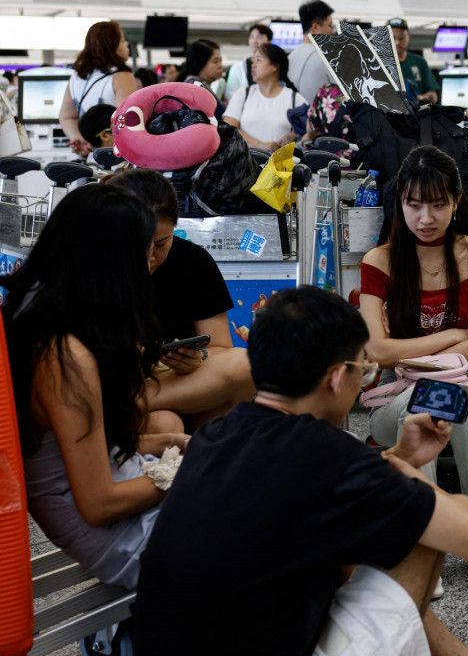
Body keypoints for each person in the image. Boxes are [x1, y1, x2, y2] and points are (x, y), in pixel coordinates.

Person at [133, 287, 468, 656]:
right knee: (417, 530)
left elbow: (307, 489)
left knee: (379, 520)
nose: (364, 381)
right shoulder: (329, 452)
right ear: (338, 377)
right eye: (365, 370)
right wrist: (409, 472)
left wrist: (396, 458)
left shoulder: (215, 435)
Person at [0, 185, 189, 589]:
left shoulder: (39, 313)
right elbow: (99, 503)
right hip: (132, 543)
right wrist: (184, 471)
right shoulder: (65, 356)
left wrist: (172, 444)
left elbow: (80, 454)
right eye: (145, 250)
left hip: (126, 521)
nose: (151, 261)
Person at [361, 146, 468, 595]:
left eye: (437, 204)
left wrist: (407, 350)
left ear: (456, 203)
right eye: (413, 204)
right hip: (397, 398)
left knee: (458, 403)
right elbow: (377, 348)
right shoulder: (380, 261)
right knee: (423, 402)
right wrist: (452, 337)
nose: (425, 217)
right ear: (400, 204)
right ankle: (423, 545)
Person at [106, 169, 254, 429]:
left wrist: (197, 359)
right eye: (138, 245)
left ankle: (132, 402)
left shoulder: (193, 262)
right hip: (111, 383)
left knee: (244, 365)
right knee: (165, 425)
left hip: (173, 385)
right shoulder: (94, 265)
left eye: (161, 243)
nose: (149, 258)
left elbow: (220, 347)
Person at [59, 21, 135, 157]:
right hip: (114, 156)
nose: (126, 45)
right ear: (111, 46)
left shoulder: (76, 77)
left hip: (87, 155)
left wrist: (79, 139)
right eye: (122, 41)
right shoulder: (122, 77)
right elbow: (124, 122)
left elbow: (67, 116)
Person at [224, 43, 306, 152]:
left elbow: (311, 131)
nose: (253, 65)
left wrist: (294, 135)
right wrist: (261, 145)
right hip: (244, 165)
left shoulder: (294, 99)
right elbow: (228, 129)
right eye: (253, 61)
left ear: (275, 66)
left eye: (258, 60)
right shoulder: (243, 94)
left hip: (280, 167)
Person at [288, 0, 335, 104]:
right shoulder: (328, 59)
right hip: (320, 119)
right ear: (315, 27)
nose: (332, 31)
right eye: (330, 25)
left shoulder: (288, 59)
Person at [390, 18, 440, 105]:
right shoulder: (379, 63)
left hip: (416, 114)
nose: (397, 42)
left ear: (408, 36)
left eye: (401, 37)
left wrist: (419, 98)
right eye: (392, 37)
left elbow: (433, 96)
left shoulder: (419, 62)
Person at [225, 23, 272, 103]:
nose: (254, 41)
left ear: (269, 42)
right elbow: (231, 94)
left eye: (259, 37)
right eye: (252, 37)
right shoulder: (238, 67)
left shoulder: (274, 66)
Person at [179, 39, 227, 117]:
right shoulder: (196, 88)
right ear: (200, 63)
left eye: (220, 61)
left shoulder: (198, 85)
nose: (220, 66)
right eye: (215, 61)